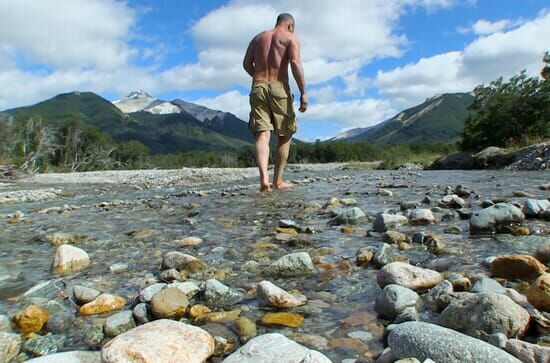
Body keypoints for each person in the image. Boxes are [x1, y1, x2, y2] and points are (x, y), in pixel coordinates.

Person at [243, 13, 307, 192]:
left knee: (262, 135)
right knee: (285, 134)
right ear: (290, 25)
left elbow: (246, 64)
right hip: (279, 86)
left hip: (258, 86)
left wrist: (258, 77)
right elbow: (295, 63)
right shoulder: (290, 38)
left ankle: (264, 180)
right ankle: (278, 181)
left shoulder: (258, 38)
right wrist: (303, 93)